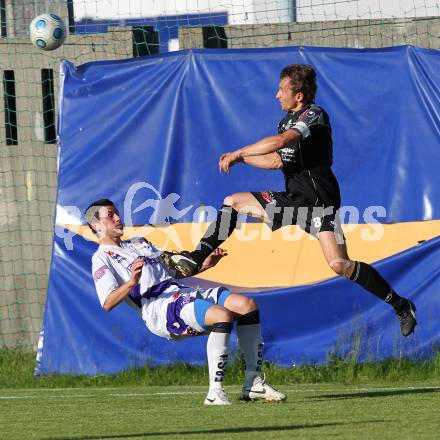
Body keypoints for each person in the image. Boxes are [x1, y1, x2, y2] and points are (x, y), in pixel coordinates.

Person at [162, 64, 417, 337]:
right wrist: (242, 159)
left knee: (339, 264)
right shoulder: (286, 121)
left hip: (319, 203)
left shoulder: (314, 115)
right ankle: (195, 256)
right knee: (235, 202)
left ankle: (399, 305)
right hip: (296, 202)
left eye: (282, 90)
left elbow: (282, 141)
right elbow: (275, 160)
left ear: (300, 95)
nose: (276, 95)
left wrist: (239, 152)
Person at [85, 198, 286, 405]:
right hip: (159, 308)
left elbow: (173, 271)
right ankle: (215, 393)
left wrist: (205, 265)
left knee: (246, 306)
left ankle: (253, 384)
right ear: (96, 225)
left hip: (181, 293)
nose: (118, 218)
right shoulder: (101, 258)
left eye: (117, 212)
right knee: (222, 316)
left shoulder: (139, 242)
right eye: (110, 215)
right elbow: (108, 302)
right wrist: (132, 282)